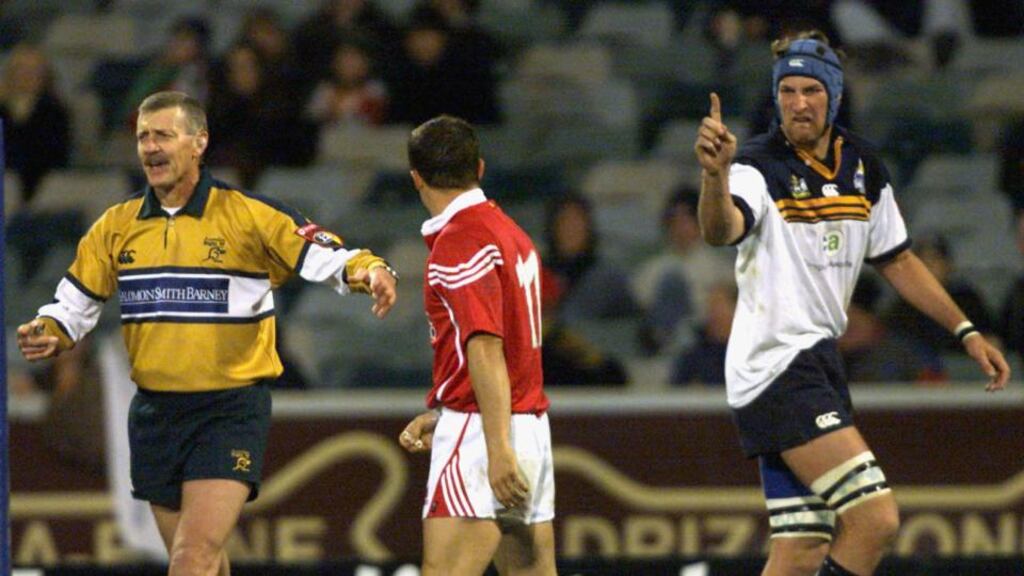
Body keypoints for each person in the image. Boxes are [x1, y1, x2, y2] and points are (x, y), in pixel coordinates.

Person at [16, 91, 398, 576]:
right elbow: (75, 303)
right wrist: (52, 329)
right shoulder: (115, 226)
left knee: (191, 557)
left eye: (163, 135)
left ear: (199, 143)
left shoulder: (249, 215)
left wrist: (371, 271)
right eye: (142, 137)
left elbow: (327, 255)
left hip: (228, 411)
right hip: (155, 413)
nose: (150, 147)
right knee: (204, 559)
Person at [693, 30, 1009, 576]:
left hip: (816, 361)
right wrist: (714, 178)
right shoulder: (754, 165)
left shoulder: (862, 165)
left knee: (801, 546)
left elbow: (899, 260)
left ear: (833, 96)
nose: (797, 103)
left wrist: (966, 331)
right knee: (876, 518)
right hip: (776, 365)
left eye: (810, 90)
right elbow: (722, 230)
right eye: (786, 91)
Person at [397, 115, 555, 575]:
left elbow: (485, 348)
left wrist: (494, 444)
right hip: (528, 428)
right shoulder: (510, 233)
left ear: (416, 178)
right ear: (479, 169)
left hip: (485, 435)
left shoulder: (460, 243)